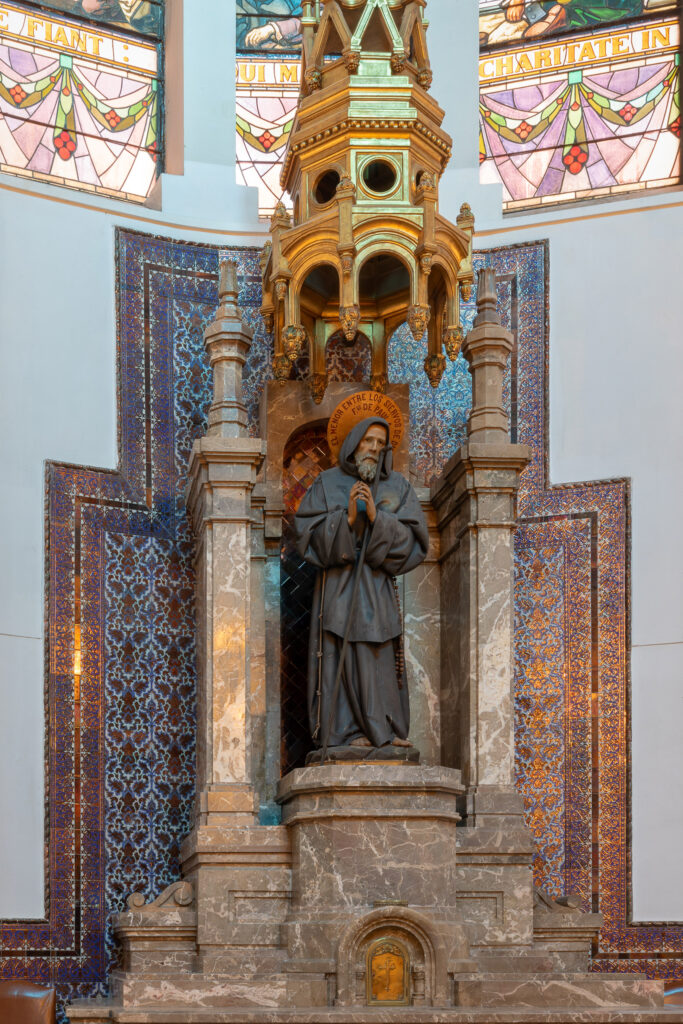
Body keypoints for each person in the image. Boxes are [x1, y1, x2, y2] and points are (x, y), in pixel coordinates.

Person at [294, 417, 428, 751]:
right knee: (342, 653)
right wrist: (348, 520)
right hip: (339, 588)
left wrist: (377, 520)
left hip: (378, 589)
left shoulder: (398, 487)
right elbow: (306, 536)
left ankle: (385, 730)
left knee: (378, 654)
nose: (374, 448)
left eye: (381, 443)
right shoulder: (326, 483)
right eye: (368, 440)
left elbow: (415, 542)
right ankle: (345, 733)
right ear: (354, 442)